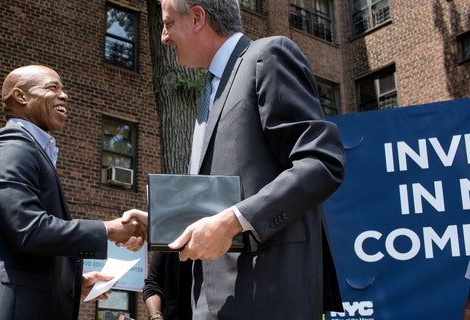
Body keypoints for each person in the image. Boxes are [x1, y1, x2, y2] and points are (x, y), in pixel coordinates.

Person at [130, 0, 348, 318]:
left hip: (265, 298)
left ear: (197, 18)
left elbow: (322, 162)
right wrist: (165, 220)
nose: (164, 36)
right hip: (211, 302)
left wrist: (233, 222)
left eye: (168, 23)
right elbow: (226, 195)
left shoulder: (268, 57)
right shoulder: (210, 90)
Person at [0, 65, 146, 320]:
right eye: (52, 88)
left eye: (63, 88)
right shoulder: (10, 147)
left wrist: (74, 283)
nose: (65, 95)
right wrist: (108, 230)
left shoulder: (32, 149)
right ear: (21, 96)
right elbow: (29, 230)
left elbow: (32, 252)